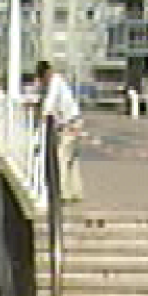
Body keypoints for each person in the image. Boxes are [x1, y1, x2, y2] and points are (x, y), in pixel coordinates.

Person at [35, 60, 84, 203]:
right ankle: (76, 191)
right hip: (75, 120)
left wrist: (40, 120)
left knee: (61, 157)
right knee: (72, 159)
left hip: (69, 124)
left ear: (45, 74)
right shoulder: (57, 82)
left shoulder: (55, 82)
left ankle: (63, 193)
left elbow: (48, 105)